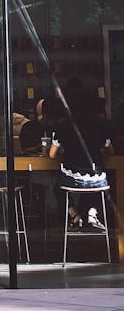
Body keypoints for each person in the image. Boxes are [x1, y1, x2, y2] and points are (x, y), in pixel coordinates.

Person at [49, 86, 113, 231]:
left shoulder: (63, 126)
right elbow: (109, 151)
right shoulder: (101, 124)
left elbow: (52, 154)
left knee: (58, 189)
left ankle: (75, 215)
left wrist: (66, 150)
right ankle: (92, 214)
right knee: (94, 185)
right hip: (97, 178)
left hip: (71, 178)